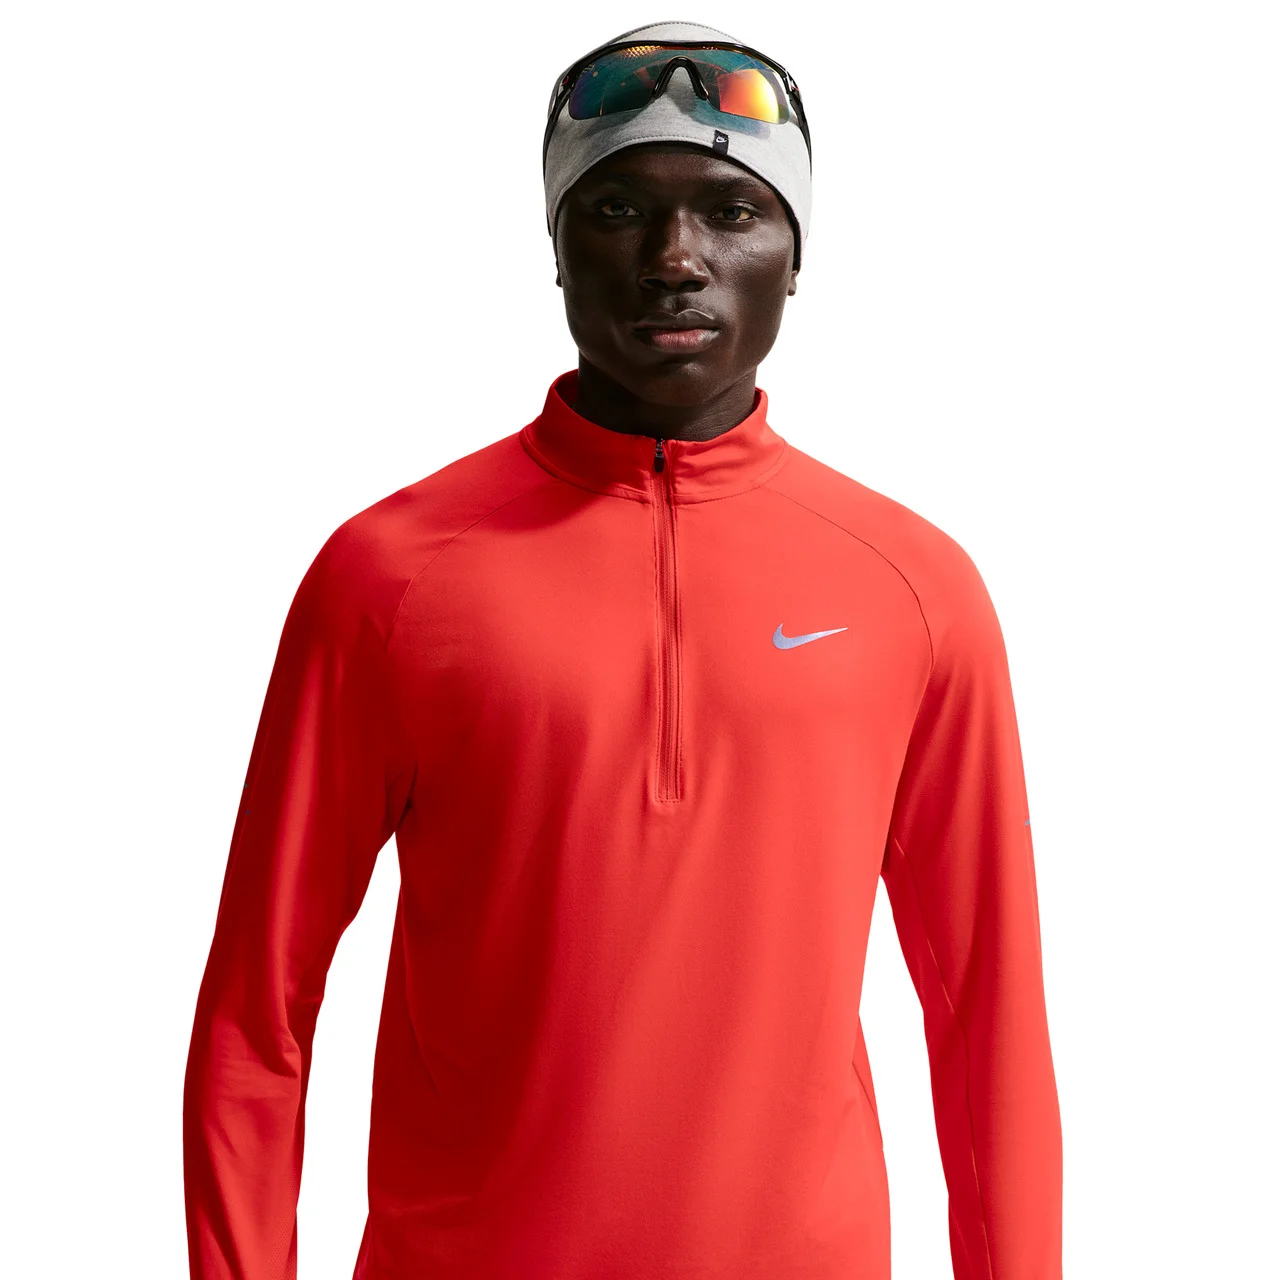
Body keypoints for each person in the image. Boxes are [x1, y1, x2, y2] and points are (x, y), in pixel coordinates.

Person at [183, 19, 1063, 1280]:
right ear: (554, 247)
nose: (673, 260)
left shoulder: (912, 589)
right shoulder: (389, 577)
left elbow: (987, 1017)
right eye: (615, 211)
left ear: (795, 257)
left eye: (731, 210)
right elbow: (256, 1012)